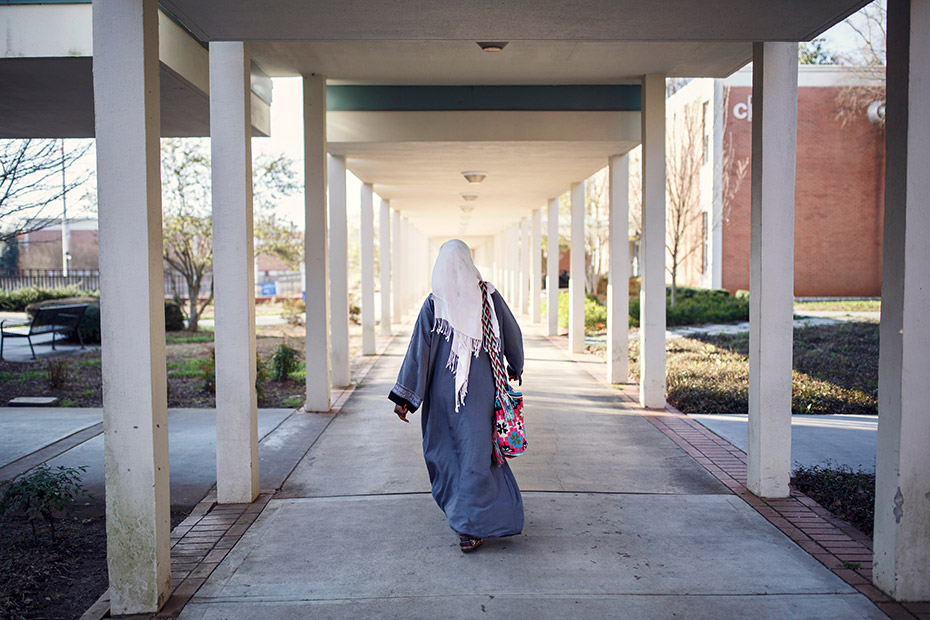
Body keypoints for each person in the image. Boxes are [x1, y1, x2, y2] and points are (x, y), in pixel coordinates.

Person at [389, 239, 524, 553]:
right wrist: (515, 364)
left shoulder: (435, 304)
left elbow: (418, 354)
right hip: (482, 390)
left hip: (442, 395)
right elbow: (511, 333)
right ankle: (472, 517)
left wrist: (406, 397)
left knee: (448, 455)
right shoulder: (487, 297)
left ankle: (468, 525)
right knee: (476, 455)